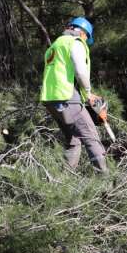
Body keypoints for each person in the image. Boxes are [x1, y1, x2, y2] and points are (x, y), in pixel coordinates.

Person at [39, 16, 107, 172]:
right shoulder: (75, 43)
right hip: (67, 97)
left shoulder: (55, 46)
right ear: (83, 33)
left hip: (50, 100)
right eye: (86, 37)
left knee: (73, 140)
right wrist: (88, 94)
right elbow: (80, 71)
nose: (85, 40)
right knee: (92, 137)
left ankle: (64, 182)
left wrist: (84, 95)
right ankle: (107, 180)